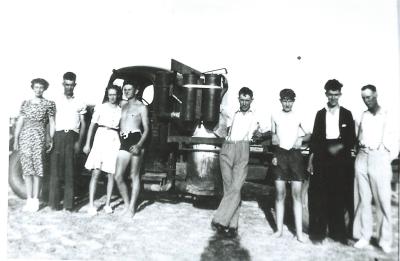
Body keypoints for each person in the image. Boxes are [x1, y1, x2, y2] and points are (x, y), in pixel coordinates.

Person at [308, 79, 356, 244]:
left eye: (336, 94)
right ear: (326, 94)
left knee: (339, 195)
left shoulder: (347, 114)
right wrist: (312, 159)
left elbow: (351, 138)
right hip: (323, 155)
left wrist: (339, 147)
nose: (333, 98)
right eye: (331, 94)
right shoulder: (320, 114)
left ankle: (338, 233)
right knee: (320, 195)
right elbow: (315, 139)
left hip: (341, 158)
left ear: (340, 94)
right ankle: (318, 233)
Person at [211, 87, 262, 238]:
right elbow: (217, 106)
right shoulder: (231, 112)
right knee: (229, 188)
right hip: (227, 148)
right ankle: (233, 225)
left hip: (242, 148)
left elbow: (261, 131)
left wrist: (259, 133)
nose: (244, 103)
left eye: (247, 100)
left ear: (251, 100)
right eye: (242, 99)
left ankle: (220, 219)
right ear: (238, 99)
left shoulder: (255, 116)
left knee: (236, 187)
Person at [352, 85, 398, 253]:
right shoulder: (362, 116)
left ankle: (385, 240)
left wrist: (386, 158)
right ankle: (365, 236)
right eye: (364, 97)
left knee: (383, 201)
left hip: (380, 159)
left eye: (369, 97)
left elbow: (395, 140)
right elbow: (358, 138)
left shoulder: (387, 115)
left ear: (376, 95)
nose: (366, 100)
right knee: (364, 200)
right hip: (362, 157)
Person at [270, 89, 310, 242]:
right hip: (280, 155)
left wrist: (301, 139)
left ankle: (299, 233)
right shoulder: (275, 115)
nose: (287, 103)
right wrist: (274, 154)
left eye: (290, 100)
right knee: (280, 194)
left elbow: (309, 134)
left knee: (296, 195)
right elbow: (274, 136)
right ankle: (279, 230)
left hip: (295, 156)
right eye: (284, 100)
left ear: (294, 101)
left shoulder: (299, 115)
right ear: (280, 100)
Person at [13, 78, 56, 212]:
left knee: (38, 169)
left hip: (39, 137)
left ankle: (36, 200)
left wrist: (51, 138)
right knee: (27, 169)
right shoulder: (25, 103)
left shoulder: (49, 104)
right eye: (36, 87)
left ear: (44, 89)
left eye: (41, 87)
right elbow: (20, 121)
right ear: (33, 88)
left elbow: (52, 123)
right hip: (25, 137)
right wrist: (16, 139)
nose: (38, 89)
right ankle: (29, 199)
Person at [48, 72, 87, 211]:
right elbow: (51, 121)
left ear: (75, 85)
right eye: (66, 84)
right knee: (55, 171)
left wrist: (79, 143)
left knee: (70, 172)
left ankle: (68, 206)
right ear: (63, 84)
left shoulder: (80, 102)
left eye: (71, 85)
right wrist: (50, 139)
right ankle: (53, 204)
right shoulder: (55, 101)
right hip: (58, 136)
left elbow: (83, 124)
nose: (69, 87)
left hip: (72, 137)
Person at [83, 85, 123, 215]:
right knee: (96, 172)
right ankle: (91, 205)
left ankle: (107, 205)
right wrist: (87, 144)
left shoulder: (120, 110)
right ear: (107, 95)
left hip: (113, 139)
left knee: (111, 173)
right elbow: (92, 125)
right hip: (100, 137)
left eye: (115, 94)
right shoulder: (100, 107)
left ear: (118, 95)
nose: (112, 97)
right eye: (110, 94)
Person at [114, 80, 149, 217]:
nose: (126, 91)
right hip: (123, 140)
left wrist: (139, 145)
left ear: (136, 91)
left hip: (136, 139)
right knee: (118, 176)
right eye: (125, 89)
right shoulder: (122, 105)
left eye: (129, 89)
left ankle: (132, 208)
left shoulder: (142, 107)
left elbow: (146, 129)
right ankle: (127, 204)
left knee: (134, 175)